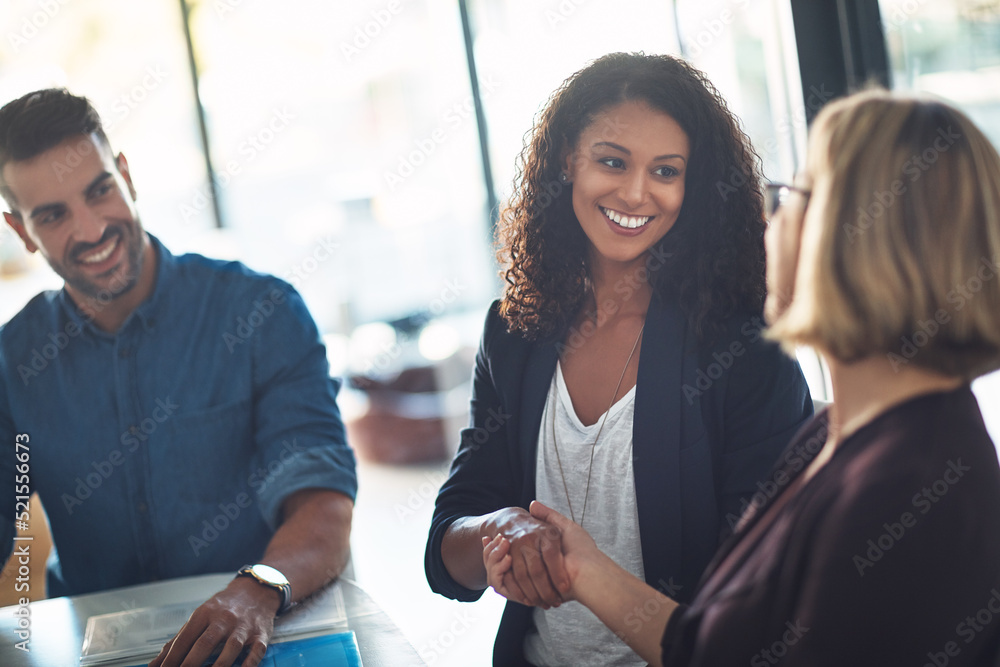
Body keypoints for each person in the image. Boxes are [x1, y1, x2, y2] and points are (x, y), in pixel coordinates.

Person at [485, 89, 1000, 665]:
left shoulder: (909, 486)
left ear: (860, 239)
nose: (766, 222)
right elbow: (717, 644)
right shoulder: (840, 437)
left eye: (791, 199)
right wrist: (582, 567)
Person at [425, 52, 813, 666]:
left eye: (666, 170)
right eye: (612, 161)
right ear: (565, 163)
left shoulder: (744, 352)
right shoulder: (513, 332)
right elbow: (448, 549)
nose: (635, 192)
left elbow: (759, 609)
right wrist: (500, 528)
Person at [0, 89, 357, 667]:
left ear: (125, 175)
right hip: (94, 652)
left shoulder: (261, 313)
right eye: (54, 215)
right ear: (21, 231)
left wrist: (256, 588)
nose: (92, 230)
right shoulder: (11, 363)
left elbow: (323, 503)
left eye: (99, 191)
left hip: (264, 628)